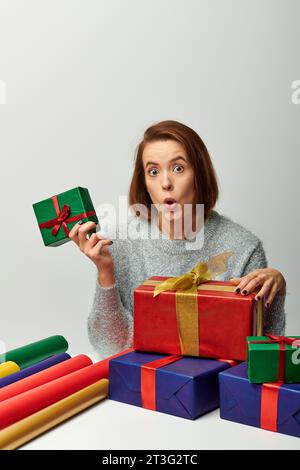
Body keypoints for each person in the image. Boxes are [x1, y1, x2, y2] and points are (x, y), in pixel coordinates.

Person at [68, 120, 286, 358]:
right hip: (139, 387)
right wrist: (105, 273)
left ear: (199, 175)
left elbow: (261, 354)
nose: (165, 183)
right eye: (153, 171)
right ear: (144, 183)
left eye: (178, 168)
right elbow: (111, 347)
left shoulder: (244, 247)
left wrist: (275, 290)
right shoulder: (119, 243)